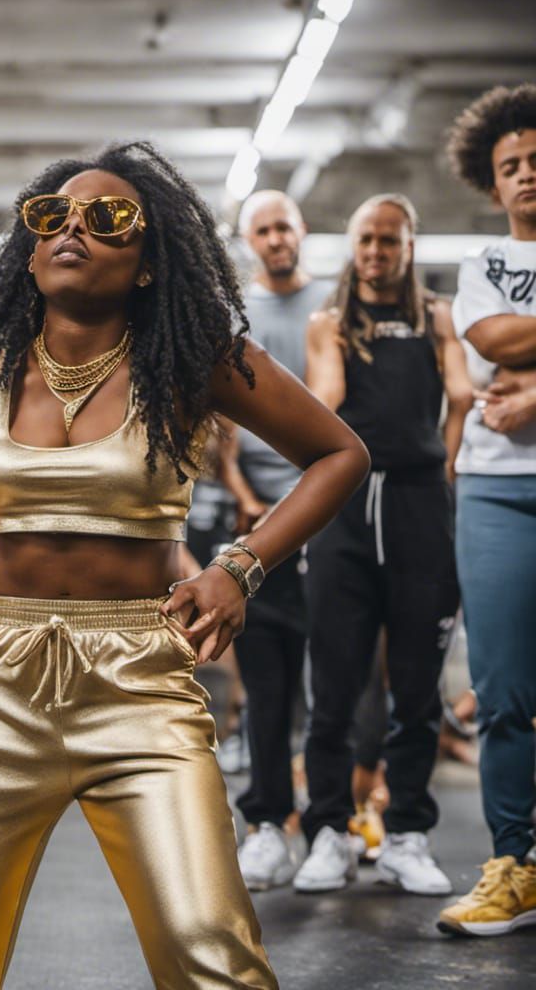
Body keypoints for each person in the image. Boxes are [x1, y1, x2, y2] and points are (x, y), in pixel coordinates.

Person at [0, 142, 369, 989]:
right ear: (29, 249)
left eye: (110, 218)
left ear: (149, 265)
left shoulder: (193, 365)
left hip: (141, 682)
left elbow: (339, 454)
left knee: (211, 956)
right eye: (54, 215)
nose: (74, 226)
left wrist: (238, 567)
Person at [295, 193, 472, 897]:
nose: (376, 251)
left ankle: (405, 833)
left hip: (419, 504)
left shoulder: (437, 316)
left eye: (389, 241)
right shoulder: (328, 321)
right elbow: (324, 402)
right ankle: (330, 832)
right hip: (345, 505)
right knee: (335, 682)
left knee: (418, 687)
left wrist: (447, 464)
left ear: (408, 246)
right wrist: (336, 354)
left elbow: (460, 395)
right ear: (352, 244)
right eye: (366, 239)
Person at [438, 83, 536, 937]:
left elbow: (518, 351)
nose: (527, 175)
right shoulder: (482, 267)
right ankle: (515, 863)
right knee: (503, 690)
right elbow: (493, 343)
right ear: (491, 181)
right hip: (497, 487)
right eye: (511, 166)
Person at [217, 190, 331, 890]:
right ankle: (265, 823)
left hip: (322, 513)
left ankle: (332, 826)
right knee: (264, 683)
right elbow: (221, 430)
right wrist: (246, 500)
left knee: (332, 685)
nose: (275, 238)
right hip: (254, 521)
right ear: (249, 240)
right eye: (262, 229)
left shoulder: (329, 310)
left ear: (301, 231)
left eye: (284, 225)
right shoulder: (235, 319)